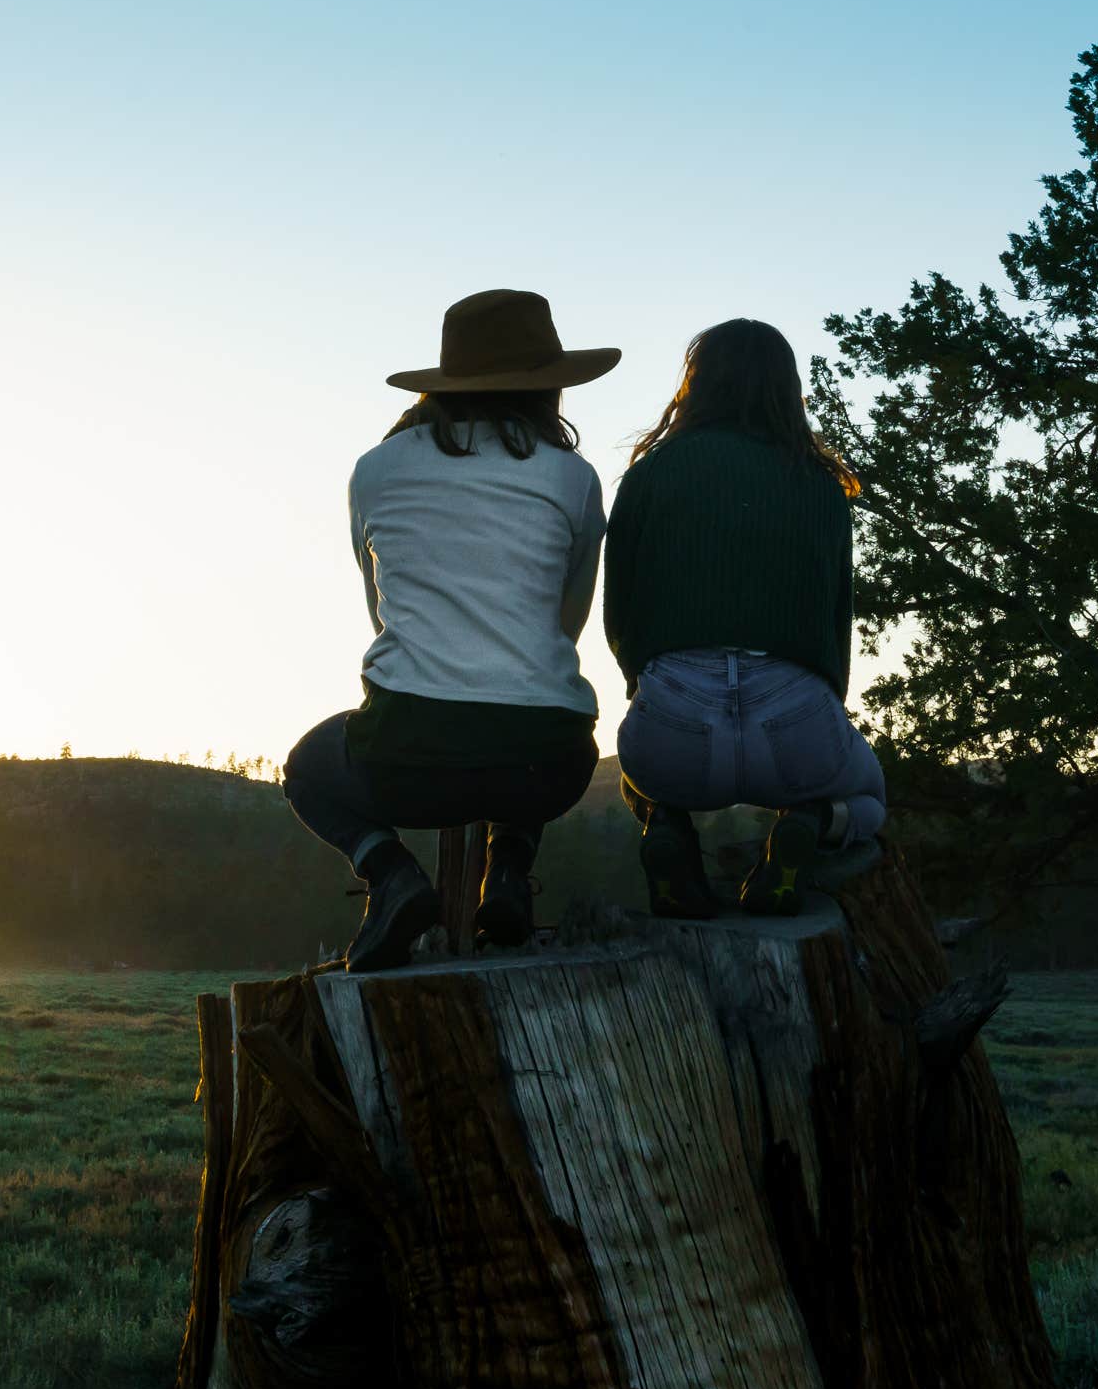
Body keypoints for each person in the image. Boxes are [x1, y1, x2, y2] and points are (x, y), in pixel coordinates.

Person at [283, 288, 615, 971]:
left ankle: (391, 873)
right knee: (536, 708)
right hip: (548, 766)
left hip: (409, 762)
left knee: (309, 766)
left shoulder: (374, 471)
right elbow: (564, 627)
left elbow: (382, 612)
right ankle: (511, 871)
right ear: (547, 386)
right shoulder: (574, 477)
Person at [602, 318, 885, 919]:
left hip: (674, 730)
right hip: (796, 722)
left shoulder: (651, 473)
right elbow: (837, 625)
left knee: (637, 774)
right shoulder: (823, 485)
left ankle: (668, 827)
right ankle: (812, 822)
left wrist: (645, 685)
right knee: (871, 796)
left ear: (695, 386)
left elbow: (619, 612)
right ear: (788, 390)